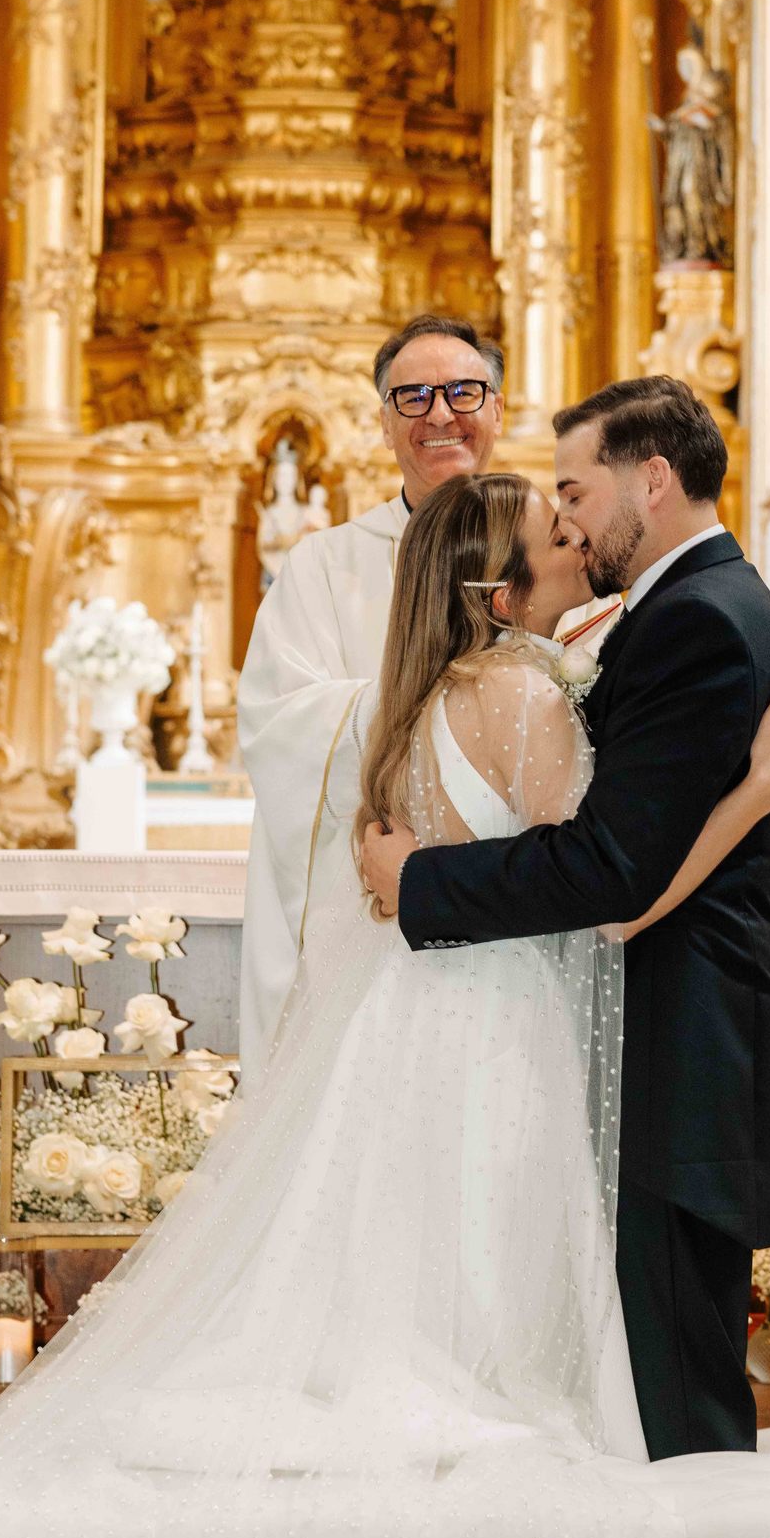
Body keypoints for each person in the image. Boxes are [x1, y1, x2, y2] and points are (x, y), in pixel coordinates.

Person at [0, 472, 770, 1538]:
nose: (575, 541)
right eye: (552, 535)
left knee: (407, 1274)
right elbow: (612, 898)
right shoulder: (527, 698)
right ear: (500, 591)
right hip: (500, 1032)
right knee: (489, 1300)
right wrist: (758, 786)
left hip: (407, 1024)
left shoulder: (418, 701)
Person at [362, 378, 770, 1538]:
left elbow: (610, 875)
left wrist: (420, 882)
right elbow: (618, 856)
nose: (565, 516)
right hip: (639, 1046)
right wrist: (754, 789)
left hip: (678, 1057)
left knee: (676, 1399)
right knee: (650, 1378)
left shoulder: (698, 620)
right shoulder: (664, 616)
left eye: (574, 488)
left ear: (648, 479)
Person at [236, 312, 507, 1088]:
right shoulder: (324, 564)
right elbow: (280, 723)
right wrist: (460, 712)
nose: (439, 414)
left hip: (516, 896)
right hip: (365, 904)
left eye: (463, 392)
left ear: (497, 409)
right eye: (412, 397)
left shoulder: (550, 550)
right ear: (384, 424)